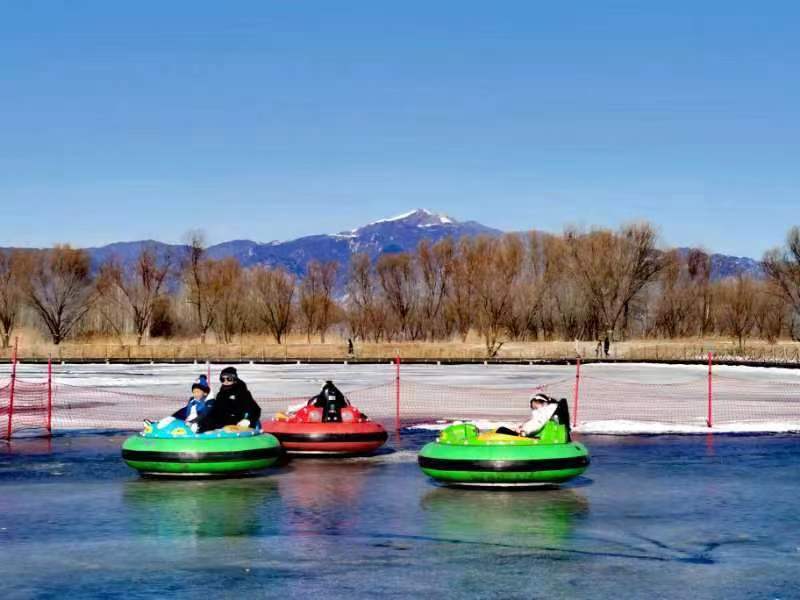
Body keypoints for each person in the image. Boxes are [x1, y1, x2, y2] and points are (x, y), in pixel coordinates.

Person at [195, 366, 261, 433]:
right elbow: (215, 410)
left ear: (234, 379)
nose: (226, 381)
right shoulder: (220, 394)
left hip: (236, 421)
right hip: (221, 421)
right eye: (222, 379)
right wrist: (202, 420)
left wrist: (248, 420)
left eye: (229, 379)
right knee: (205, 422)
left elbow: (255, 409)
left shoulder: (242, 392)